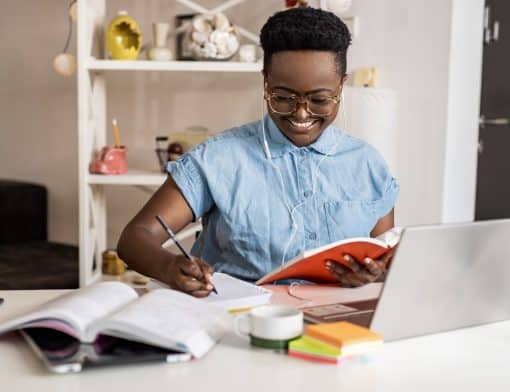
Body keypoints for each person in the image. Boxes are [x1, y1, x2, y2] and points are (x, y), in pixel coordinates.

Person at [117, 7, 399, 297]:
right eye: (283, 97)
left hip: (338, 327)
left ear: (342, 85)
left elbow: (389, 261)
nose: (301, 112)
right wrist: (170, 267)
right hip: (236, 321)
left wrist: (376, 274)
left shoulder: (369, 165)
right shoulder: (218, 159)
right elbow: (135, 238)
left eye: (319, 99)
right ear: (265, 82)